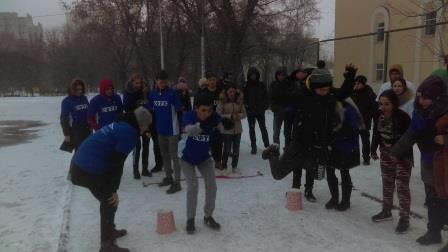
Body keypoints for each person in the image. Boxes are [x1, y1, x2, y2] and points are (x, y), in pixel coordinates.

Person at [262, 64, 358, 205]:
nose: (325, 92)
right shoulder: (301, 96)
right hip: (299, 143)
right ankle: (272, 153)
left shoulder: (330, 94)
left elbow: (344, 92)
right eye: (321, 89)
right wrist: (292, 78)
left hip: (317, 145)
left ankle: (305, 179)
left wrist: (350, 76)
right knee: (277, 174)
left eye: (327, 89)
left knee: (318, 175)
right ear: (313, 87)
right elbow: (277, 96)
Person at [70, 107, 152, 252]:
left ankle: (109, 232)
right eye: (146, 126)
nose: (146, 129)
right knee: (110, 200)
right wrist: (113, 189)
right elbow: (116, 164)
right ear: (140, 123)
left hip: (81, 165)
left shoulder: (122, 125)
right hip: (86, 169)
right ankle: (107, 245)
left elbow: (113, 161)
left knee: (109, 201)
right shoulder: (130, 133)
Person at [391, 74, 448, 248]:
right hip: (428, 162)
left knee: (446, 201)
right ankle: (434, 232)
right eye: (420, 97)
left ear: (437, 98)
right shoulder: (420, 112)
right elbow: (412, 132)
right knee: (432, 200)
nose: (421, 101)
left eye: (426, 98)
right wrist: (396, 151)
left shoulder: (446, 113)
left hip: (446, 165)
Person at [370, 90, 413, 234]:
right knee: (387, 184)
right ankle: (386, 211)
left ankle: (404, 218)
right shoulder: (378, 114)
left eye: (387, 104)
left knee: (402, 188)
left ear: (394, 104)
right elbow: (376, 133)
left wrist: (399, 154)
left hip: (402, 156)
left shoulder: (403, 117)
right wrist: (373, 149)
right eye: (381, 104)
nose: (383, 107)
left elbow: (410, 138)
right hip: (385, 154)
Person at [179, 93, 222, 234]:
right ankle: (190, 219)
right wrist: (202, 125)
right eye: (203, 110)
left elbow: (220, 120)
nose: (207, 113)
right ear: (196, 108)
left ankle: (208, 216)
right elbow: (189, 130)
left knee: (212, 186)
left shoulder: (213, 117)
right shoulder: (188, 116)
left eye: (209, 110)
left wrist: (226, 122)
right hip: (186, 158)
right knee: (193, 186)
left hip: (203, 157)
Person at [148, 70, 183, 194]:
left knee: (174, 157)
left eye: (164, 81)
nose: (162, 83)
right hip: (160, 130)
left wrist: (182, 128)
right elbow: (150, 110)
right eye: (159, 81)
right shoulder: (152, 94)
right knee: (165, 156)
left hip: (172, 130)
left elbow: (179, 111)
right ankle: (169, 177)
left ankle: (177, 183)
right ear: (156, 81)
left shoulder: (173, 94)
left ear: (167, 81)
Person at [122, 73, 152, 179]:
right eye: (136, 83)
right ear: (132, 82)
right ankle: (135, 169)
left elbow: (149, 104)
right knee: (137, 147)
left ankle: (145, 168)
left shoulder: (145, 91)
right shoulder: (128, 92)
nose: (138, 85)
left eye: (140, 83)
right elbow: (126, 107)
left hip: (145, 122)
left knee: (146, 145)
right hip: (133, 123)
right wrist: (136, 98)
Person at [289, 68, 314, 191]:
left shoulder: (318, 95)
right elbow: (291, 105)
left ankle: (309, 189)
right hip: (299, 131)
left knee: (310, 162)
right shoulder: (299, 92)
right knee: (297, 161)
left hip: (312, 133)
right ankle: (295, 185)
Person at [195, 71, 224, 174]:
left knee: (218, 141)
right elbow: (197, 107)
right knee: (204, 141)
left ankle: (217, 161)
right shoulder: (203, 93)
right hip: (205, 119)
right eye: (210, 80)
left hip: (217, 120)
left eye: (214, 80)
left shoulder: (221, 92)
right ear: (207, 81)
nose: (212, 82)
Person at [217, 84, 246, 175]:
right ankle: (224, 167)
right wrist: (229, 116)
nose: (232, 93)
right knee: (227, 149)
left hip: (237, 129)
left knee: (236, 150)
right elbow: (218, 114)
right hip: (227, 129)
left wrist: (238, 116)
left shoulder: (239, 101)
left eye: (233, 91)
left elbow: (244, 114)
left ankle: (234, 166)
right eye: (230, 91)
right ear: (227, 92)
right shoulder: (222, 102)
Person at [242, 67, 270, 154]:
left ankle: (267, 146)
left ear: (257, 75)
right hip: (250, 111)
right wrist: (246, 106)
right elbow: (243, 97)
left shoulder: (261, 85)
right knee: (251, 129)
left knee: (263, 128)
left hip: (260, 111)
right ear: (249, 75)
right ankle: (253, 147)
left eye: (255, 75)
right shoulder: (246, 85)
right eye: (252, 75)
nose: (253, 76)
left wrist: (264, 106)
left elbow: (266, 96)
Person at [351, 75, 378, 165]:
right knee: (354, 139)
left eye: (359, 83)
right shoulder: (353, 92)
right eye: (356, 83)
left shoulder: (370, 94)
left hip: (364, 121)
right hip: (354, 120)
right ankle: (354, 156)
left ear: (363, 84)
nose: (357, 85)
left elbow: (374, 108)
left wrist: (367, 116)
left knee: (365, 140)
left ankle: (366, 158)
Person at [60, 79, 91, 153]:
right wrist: (66, 134)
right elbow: (64, 119)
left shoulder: (84, 98)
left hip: (87, 128)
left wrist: (91, 125)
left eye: (81, 89)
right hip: (76, 130)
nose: (79, 91)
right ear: (73, 89)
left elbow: (89, 112)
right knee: (79, 151)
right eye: (77, 89)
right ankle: (76, 165)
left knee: (88, 149)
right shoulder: (67, 101)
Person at [270, 67, 295, 148]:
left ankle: (287, 151)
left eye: (282, 75)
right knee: (276, 132)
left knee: (287, 133)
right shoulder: (273, 84)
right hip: (278, 112)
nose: (281, 77)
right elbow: (270, 98)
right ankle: (275, 150)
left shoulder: (290, 84)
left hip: (288, 112)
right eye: (279, 75)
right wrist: (274, 108)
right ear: (276, 75)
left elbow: (293, 97)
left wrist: (290, 107)